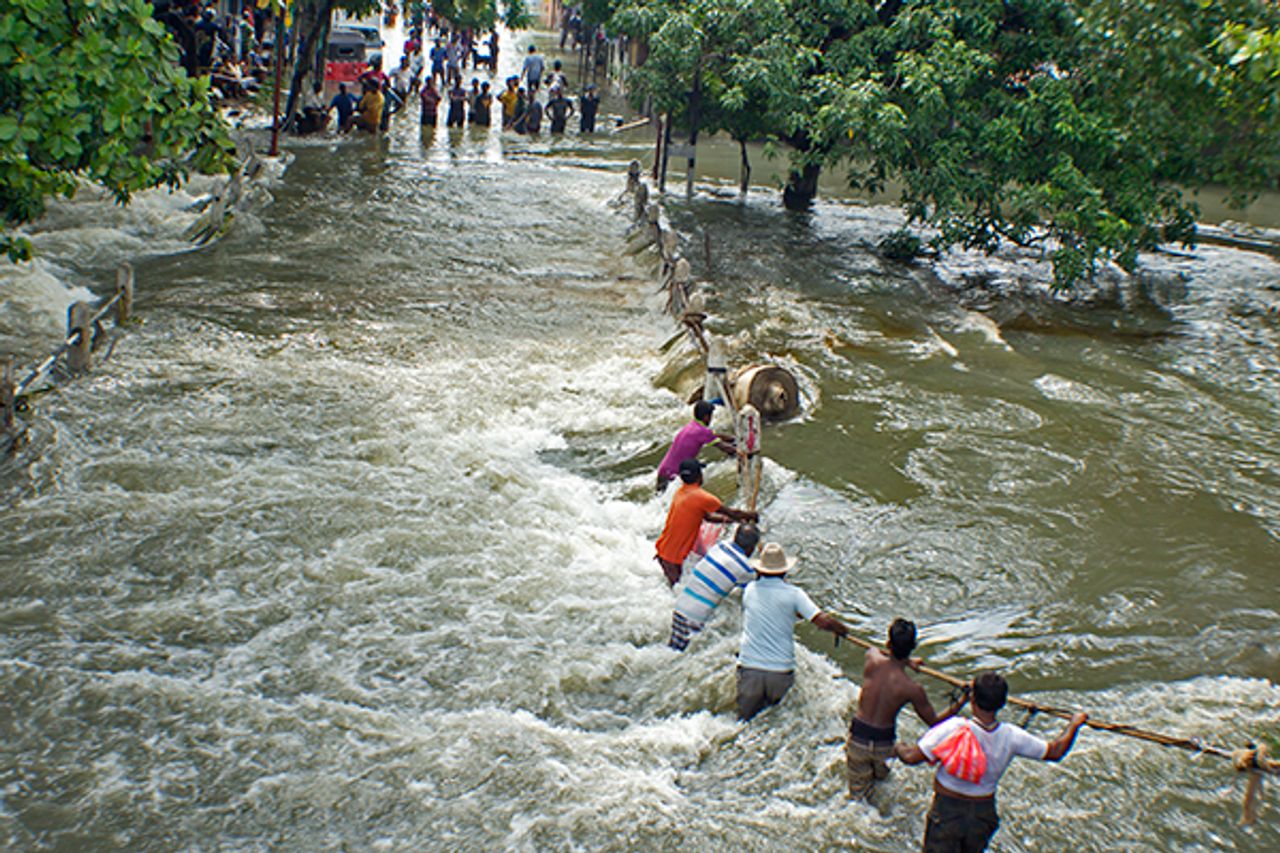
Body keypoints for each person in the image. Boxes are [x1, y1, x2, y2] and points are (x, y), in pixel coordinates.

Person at [895, 672, 1088, 853]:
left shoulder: (954, 727)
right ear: (1002, 703)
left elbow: (911, 757)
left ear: (972, 700)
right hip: (983, 814)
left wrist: (898, 747)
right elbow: (1055, 752)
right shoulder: (1011, 736)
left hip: (947, 812)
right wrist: (1074, 725)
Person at [845, 619, 967, 802]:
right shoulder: (912, 689)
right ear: (913, 648)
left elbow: (875, 650)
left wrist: (907, 661)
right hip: (884, 745)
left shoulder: (872, 660)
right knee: (880, 787)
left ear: (888, 643)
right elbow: (935, 722)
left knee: (858, 797)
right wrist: (962, 701)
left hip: (858, 739)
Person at [736, 542, 850, 721]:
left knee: (744, 721)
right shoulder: (794, 594)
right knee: (775, 721)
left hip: (750, 668)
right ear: (785, 571)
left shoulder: (749, 590)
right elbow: (822, 620)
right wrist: (841, 629)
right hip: (780, 671)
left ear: (759, 569)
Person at [654, 458, 757, 587]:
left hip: (664, 550)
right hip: (672, 557)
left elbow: (707, 517)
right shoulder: (703, 497)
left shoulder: (680, 492)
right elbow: (732, 512)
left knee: (675, 588)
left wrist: (734, 520)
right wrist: (751, 515)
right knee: (677, 591)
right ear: (700, 476)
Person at [669, 524, 759, 652]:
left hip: (680, 607)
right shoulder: (745, 569)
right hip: (696, 617)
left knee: (674, 649)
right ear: (751, 548)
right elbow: (756, 584)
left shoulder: (720, 546)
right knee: (682, 654)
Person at [655, 401, 736, 494]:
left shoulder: (693, 425)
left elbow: (714, 436)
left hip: (663, 471)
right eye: (711, 416)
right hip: (673, 475)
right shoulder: (702, 431)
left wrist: (734, 439)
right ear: (706, 417)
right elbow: (725, 448)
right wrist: (741, 451)